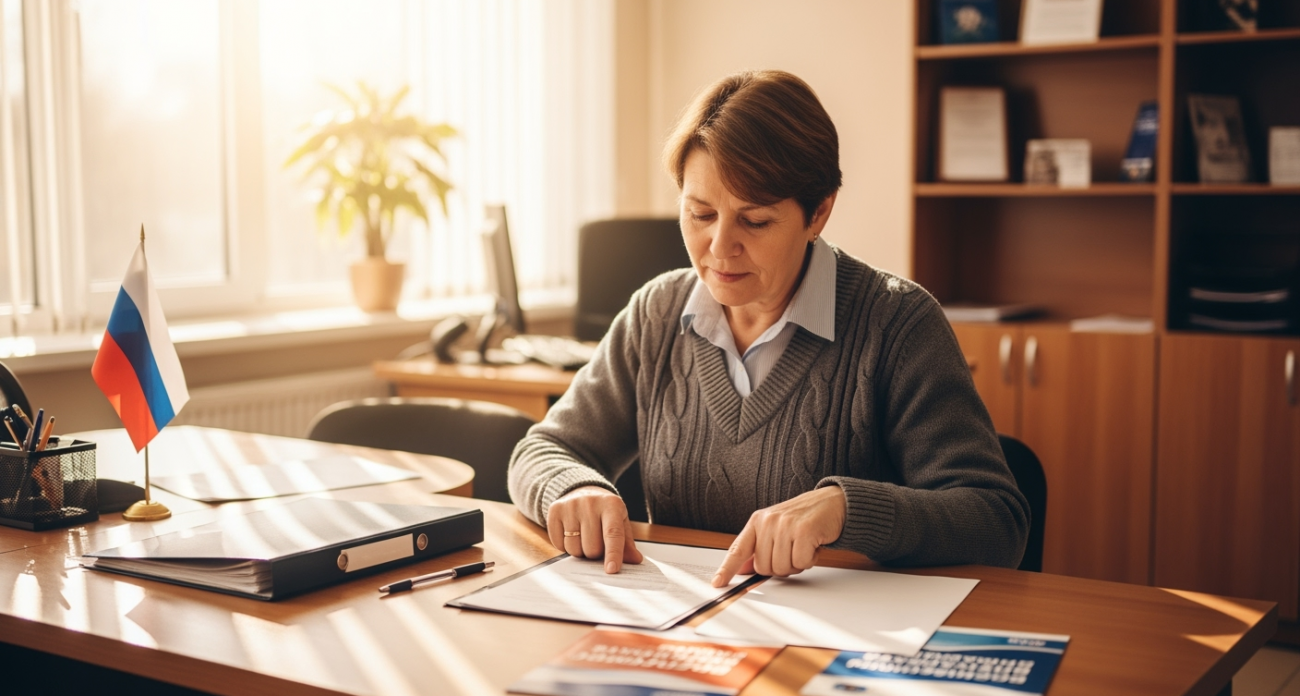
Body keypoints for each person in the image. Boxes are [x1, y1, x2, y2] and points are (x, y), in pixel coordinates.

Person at [508, 70, 1028, 586]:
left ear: (819, 212)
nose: (719, 247)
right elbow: (543, 450)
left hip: (837, 640)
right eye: (700, 214)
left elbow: (995, 520)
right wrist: (571, 487)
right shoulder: (657, 313)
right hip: (685, 627)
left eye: (754, 221)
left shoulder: (897, 324)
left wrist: (846, 507)